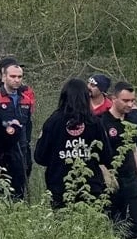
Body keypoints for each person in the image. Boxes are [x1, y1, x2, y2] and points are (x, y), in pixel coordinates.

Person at [34, 78, 115, 209]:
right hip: (90, 188)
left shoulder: (53, 122)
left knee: (63, 222)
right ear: (86, 97)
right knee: (89, 221)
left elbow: (40, 157)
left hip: (60, 187)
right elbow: (107, 157)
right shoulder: (95, 123)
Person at [99, 82, 137, 239]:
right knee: (117, 225)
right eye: (125, 100)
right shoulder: (102, 122)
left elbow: (134, 149)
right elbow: (96, 153)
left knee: (135, 224)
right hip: (112, 182)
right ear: (113, 99)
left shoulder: (132, 121)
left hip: (131, 180)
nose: (130, 104)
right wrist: (106, 174)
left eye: (132, 100)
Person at [0, 58, 34, 199]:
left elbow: (28, 124)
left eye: (19, 77)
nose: (17, 80)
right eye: (13, 76)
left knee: (20, 190)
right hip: (1, 151)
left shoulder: (26, 100)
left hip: (21, 150)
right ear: (4, 77)